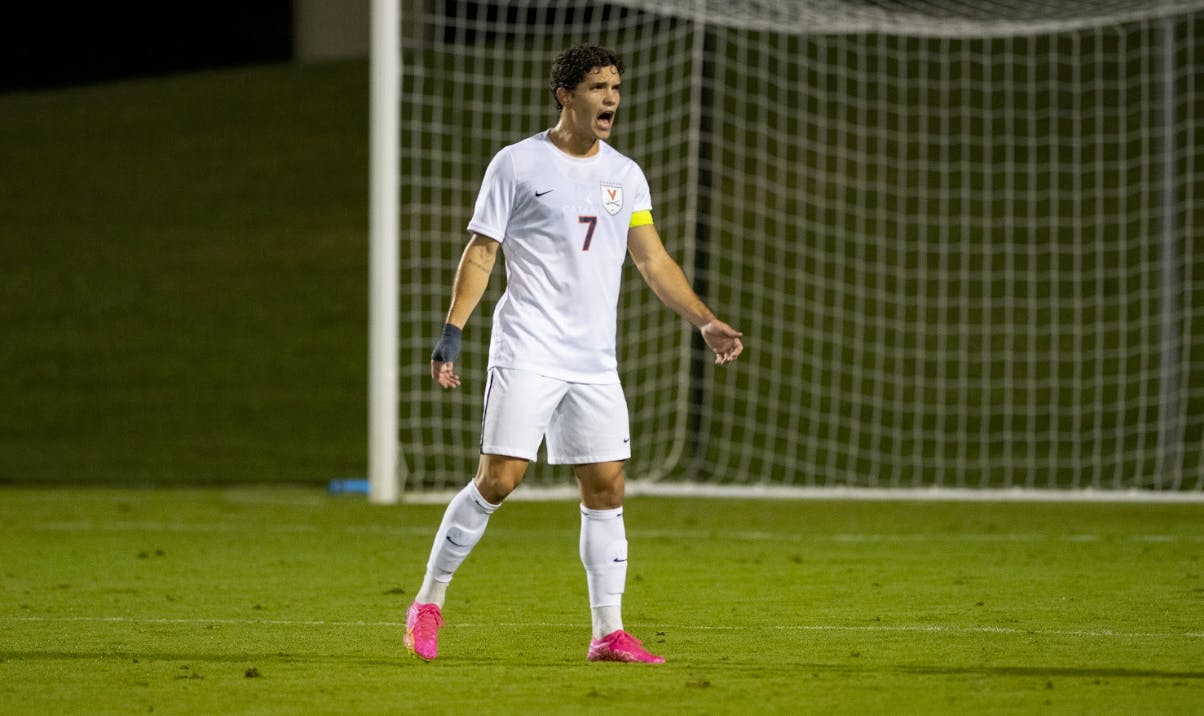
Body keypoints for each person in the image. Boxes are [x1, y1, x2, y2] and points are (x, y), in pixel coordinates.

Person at [404, 44, 744, 664]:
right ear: (564, 95)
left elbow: (652, 259)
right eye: (596, 86)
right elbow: (482, 252)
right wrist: (452, 331)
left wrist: (704, 320)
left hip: (593, 358)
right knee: (498, 480)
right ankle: (428, 601)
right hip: (527, 347)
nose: (610, 97)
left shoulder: (625, 174)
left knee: (607, 487)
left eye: (615, 86)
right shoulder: (517, 163)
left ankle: (608, 632)